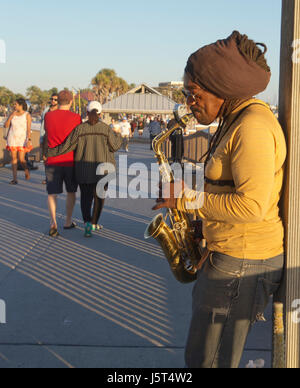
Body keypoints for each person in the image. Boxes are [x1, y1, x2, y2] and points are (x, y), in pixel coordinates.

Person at [153, 31, 287, 368]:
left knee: (206, 362)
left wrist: (186, 200)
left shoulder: (252, 126)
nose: (189, 103)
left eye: (192, 94)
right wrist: (202, 227)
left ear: (219, 87)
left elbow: (251, 206)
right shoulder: (234, 120)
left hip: (241, 261)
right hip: (229, 254)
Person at [47, 101, 123, 237]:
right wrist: (118, 134)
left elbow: (67, 146)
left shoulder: (80, 129)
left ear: (86, 113)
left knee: (86, 198)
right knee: (99, 197)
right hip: (103, 170)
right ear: (100, 114)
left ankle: (87, 222)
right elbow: (115, 146)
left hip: (83, 170)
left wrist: (50, 152)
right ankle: (94, 223)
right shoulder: (106, 129)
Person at [43, 90, 82, 237]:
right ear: (71, 101)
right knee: (71, 191)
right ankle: (67, 221)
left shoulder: (48, 116)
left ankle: (53, 222)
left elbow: (47, 133)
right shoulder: (76, 117)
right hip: (70, 160)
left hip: (52, 160)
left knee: (52, 193)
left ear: (57, 101)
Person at [4, 98, 33, 184]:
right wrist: (11, 116)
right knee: (14, 159)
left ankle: (26, 170)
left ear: (21, 105)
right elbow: (6, 125)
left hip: (22, 139)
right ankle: (15, 179)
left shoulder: (27, 115)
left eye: (15, 104)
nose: (14, 106)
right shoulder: (12, 114)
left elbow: (28, 129)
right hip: (12, 138)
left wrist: (28, 140)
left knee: (21, 159)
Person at [40, 93, 59, 184]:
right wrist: (41, 139)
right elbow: (42, 125)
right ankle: (48, 177)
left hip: (56, 137)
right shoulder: (46, 110)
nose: (53, 101)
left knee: (55, 158)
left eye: (55, 99)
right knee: (45, 157)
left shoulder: (60, 111)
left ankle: (54, 177)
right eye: (52, 99)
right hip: (46, 136)